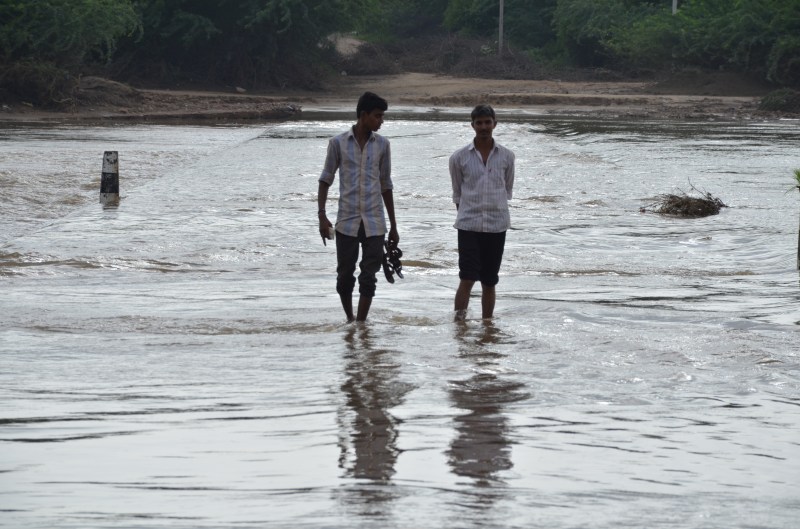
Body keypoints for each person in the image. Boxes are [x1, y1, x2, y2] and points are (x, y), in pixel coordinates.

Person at [317, 92, 399, 322]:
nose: (381, 121)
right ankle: (350, 318)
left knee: (368, 276)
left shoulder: (383, 145)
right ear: (364, 115)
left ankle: (360, 323)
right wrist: (322, 216)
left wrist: (393, 226)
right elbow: (325, 179)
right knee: (344, 275)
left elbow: (386, 185)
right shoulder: (338, 143)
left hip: (375, 222)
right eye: (378, 116)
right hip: (347, 221)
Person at [449, 104, 515, 321]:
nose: (484, 127)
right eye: (479, 123)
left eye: (488, 122)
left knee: (489, 281)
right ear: (472, 125)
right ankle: (459, 324)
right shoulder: (459, 158)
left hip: (497, 225)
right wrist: (467, 215)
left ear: (495, 124)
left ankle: (487, 325)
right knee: (467, 278)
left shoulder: (507, 156)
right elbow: (458, 193)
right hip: (468, 225)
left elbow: (507, 189)